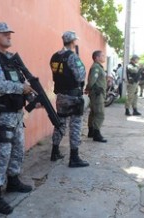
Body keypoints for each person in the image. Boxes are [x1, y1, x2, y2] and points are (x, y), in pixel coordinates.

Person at [0, 22, 36, 215]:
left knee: (18, 150)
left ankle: (13, 182)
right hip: (2, 116)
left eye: (9, 33)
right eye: (4, 34)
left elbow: (22, 81)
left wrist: (32, 97)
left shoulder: (11, 59)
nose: (9, 36)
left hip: (16, 115)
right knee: (1, 155)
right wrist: (21, 88)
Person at [49, 31, 89, 168]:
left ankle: (54, 151)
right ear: (73, 42)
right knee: (75, 125)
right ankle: (74, 157)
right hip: (73, 96)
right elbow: (80, 76)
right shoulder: (72, 57)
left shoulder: (54, 56)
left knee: (60, 123)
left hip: (60, 95)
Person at [85, 50, 107, 143]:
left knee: (93, 112)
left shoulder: (98, 67)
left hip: (96, 93)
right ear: (97, 57)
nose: (104, 57)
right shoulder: (96, 67)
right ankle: (96, 134)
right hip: (97, 94)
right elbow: (91, 81)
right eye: (102, 55)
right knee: (99, 113)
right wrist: (88, 88)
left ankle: (91, 131)